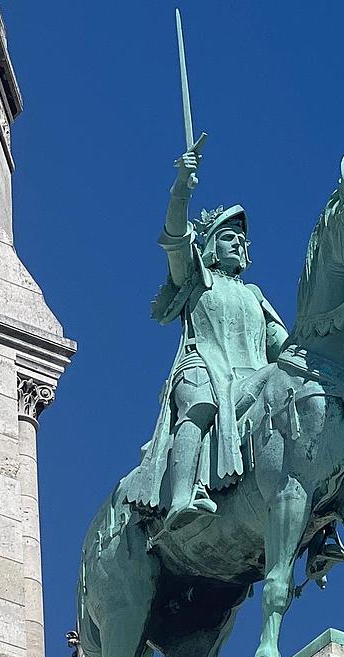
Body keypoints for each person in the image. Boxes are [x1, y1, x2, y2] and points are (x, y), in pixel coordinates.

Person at [125, 146, 289, 533]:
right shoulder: (198, 277)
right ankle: (182, 497)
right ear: (212, 245)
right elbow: (175, 237)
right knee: (200, 406)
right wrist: (182, 187)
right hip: (204, 366)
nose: (239, 244)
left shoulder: (254, 295)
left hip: (253, 377)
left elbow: (282, 346)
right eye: (229, 237)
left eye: (242, 240)